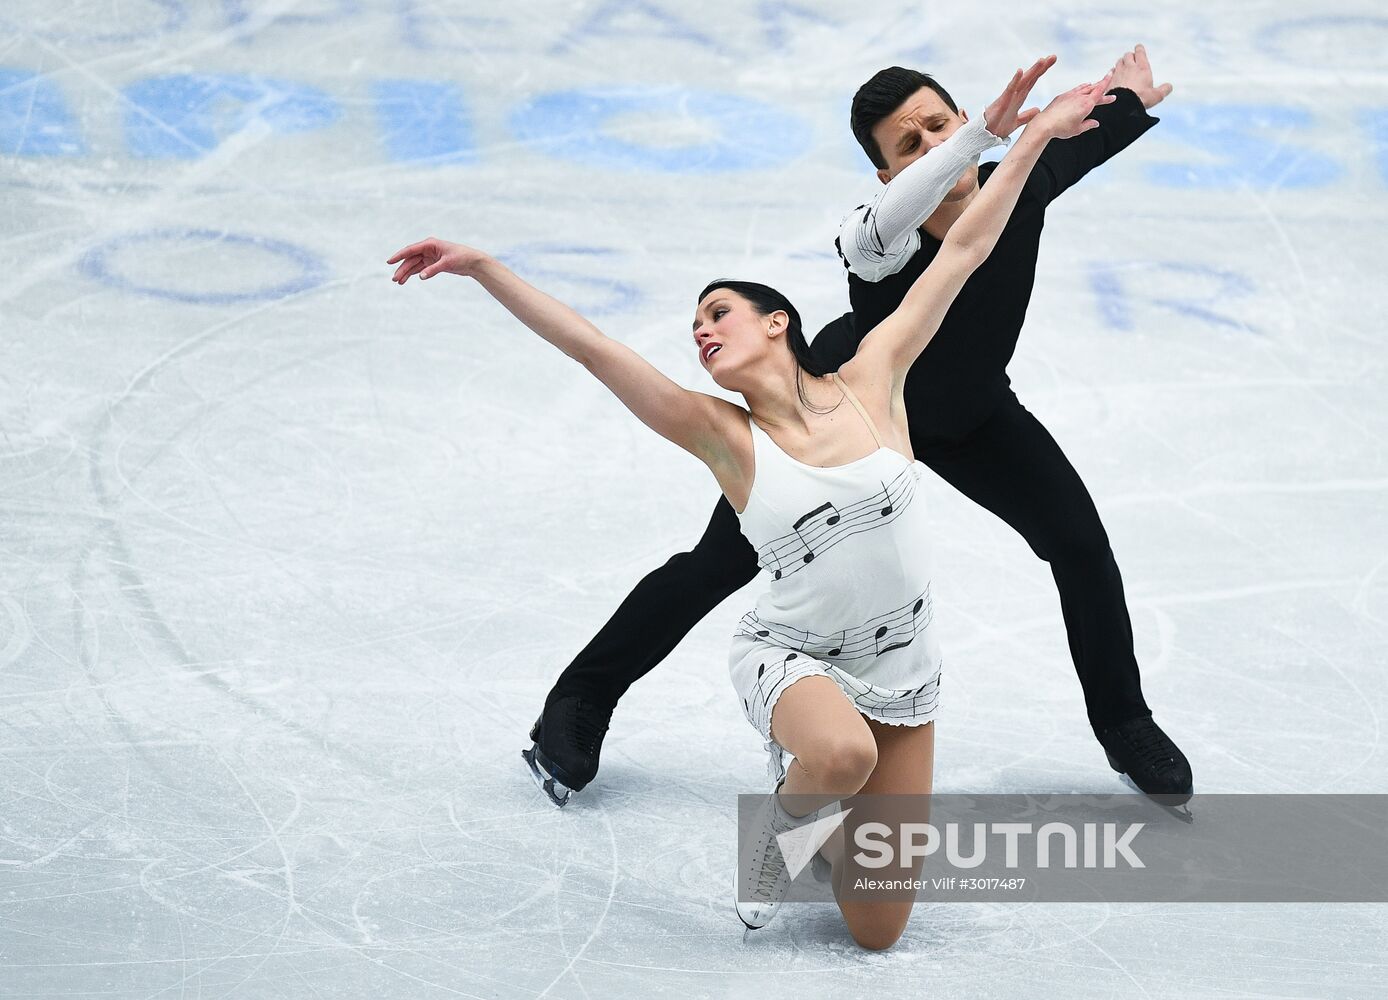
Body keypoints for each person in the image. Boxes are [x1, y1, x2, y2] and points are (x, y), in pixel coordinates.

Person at [388, 70, 1117, 949]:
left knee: (880, 930)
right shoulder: (859, 250)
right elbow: (591, 347)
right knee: (720, 586)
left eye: (721, 311)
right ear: (883, 172)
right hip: (795, 596)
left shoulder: (877, 371)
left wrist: (1070, 123)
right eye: (697, 324)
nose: (702, 330)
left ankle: (1091, 729)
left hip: (909, 619)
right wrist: (483, 267)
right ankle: (635, 722)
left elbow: (970, 248)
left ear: (777, 322)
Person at [527, 45, 1192, 805]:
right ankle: (581, 699)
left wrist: (1127, 102)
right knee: (716, 564)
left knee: (1080, 545)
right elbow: (915, 200)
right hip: (848, 414)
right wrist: (980, 139)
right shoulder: (880, 239)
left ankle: (1125, 722)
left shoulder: (1020, 186)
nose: (937, 148)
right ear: (888, 177)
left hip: (974, 416)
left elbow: (1078, 143)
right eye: (911, 147)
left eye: (941, 126)